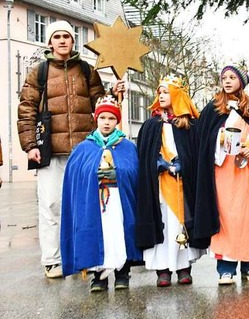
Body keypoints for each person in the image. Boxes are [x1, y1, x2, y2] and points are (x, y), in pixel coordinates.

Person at [17, 20, 125, 279]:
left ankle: (81, 257)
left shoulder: (87, 70)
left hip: (84, 150)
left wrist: (114, 93)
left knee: (84, 205)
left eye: (67, 36)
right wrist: (30, 145)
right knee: (51, 204)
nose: (63, 40)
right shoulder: (38, 72)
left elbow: (100, 105)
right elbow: (26, 109)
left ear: (73, 41)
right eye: (58, 36)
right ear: (50, 42)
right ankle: (52, 260)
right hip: (49, 150)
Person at [193, 62, 249, 285]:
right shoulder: (213, 109)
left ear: (241, 83)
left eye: (232, 78)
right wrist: (219, 139)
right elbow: (203, 137)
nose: (227, 81)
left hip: (246, 173)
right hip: (222, 172)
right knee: (226, 218)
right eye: (224, 77)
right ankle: (226, 268)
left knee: (248, 217)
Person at [60, 96, 142, 292]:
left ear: (117, 121)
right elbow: (76, 179)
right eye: (103, 117)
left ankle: (122, 272)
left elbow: (135, 173)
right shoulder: (84, 149)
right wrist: (93, 175)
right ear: (96, 119)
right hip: (94, 202)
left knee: (120, 233)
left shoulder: (128, 147)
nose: (106, 122)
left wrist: (118, 173)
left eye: (111, 118)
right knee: (97, 233)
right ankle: (98, 276)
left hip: (118, 201)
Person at [136, 75, 205, 287]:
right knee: (163, 224)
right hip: (159, 185)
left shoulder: (189, 126)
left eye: (166, 92)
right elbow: (144, 154)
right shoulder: (150, 125)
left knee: (181, 223)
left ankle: (184, 267)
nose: (162, 96)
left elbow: (196, 153)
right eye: (160, 92)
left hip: (182, 184)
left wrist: (185, 163)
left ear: (176, 95)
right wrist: (156, 163)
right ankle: (162, 270)